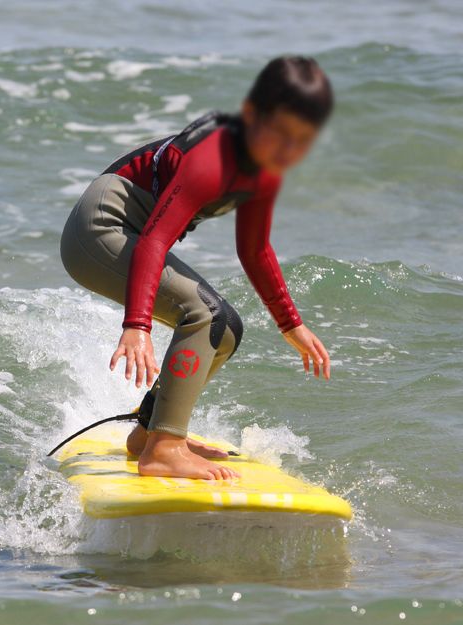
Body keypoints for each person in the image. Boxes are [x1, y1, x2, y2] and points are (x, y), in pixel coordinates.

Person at [60, 55, 333, 481]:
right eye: (279, 132)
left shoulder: (265, 171)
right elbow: (154, 240)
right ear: (251, 115)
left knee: (226, 330)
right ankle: (164, 450)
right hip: (98, 230)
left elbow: (256, 249)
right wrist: (137, 325)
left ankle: (151, 434)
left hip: (133, 233)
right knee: (205, 315)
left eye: (300, 140)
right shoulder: (213, 160)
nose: (286, 149)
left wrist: (290, 324)